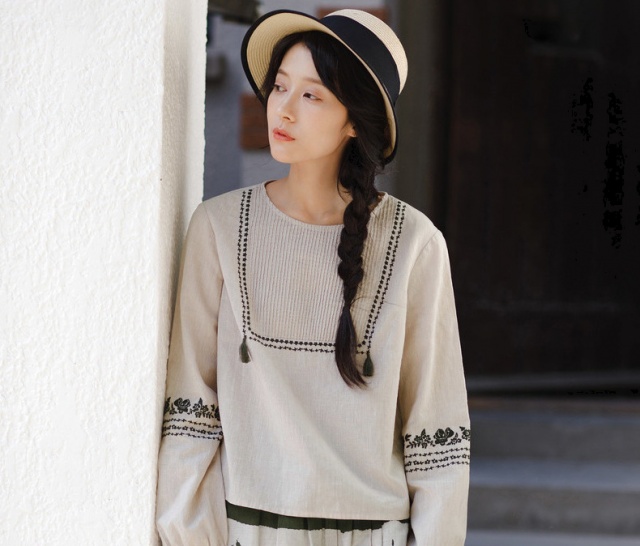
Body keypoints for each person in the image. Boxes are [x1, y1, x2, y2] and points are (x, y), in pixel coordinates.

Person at [156, 9, 470, 546]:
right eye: (280, 86)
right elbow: (190, 412)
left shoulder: (415, 244)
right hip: (246, 532)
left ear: (355, 121)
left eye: (311, 95)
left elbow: (435, 429)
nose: (283, 108)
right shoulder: (218, 227)